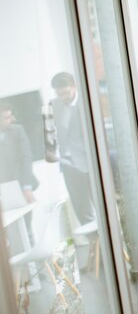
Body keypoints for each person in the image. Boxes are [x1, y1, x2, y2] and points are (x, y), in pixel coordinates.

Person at [50, 72, 95, 225]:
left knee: (100, 203)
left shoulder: (87, 102)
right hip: (67, 164)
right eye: (59, 93)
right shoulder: (52, 105)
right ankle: (95, 244)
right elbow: (47, 133)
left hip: (89, 163)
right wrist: (51, 153)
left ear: (74, 87)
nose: (63, 97)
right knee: (80, 208)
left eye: (66, 92)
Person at [0, 104, 38, 203]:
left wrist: (26, 187)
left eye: (11, 115)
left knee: (27, 217)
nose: (13, 119)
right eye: (7, 117)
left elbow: (26, 158)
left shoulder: (17, 130)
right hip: (2, 191)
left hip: (22, 186)